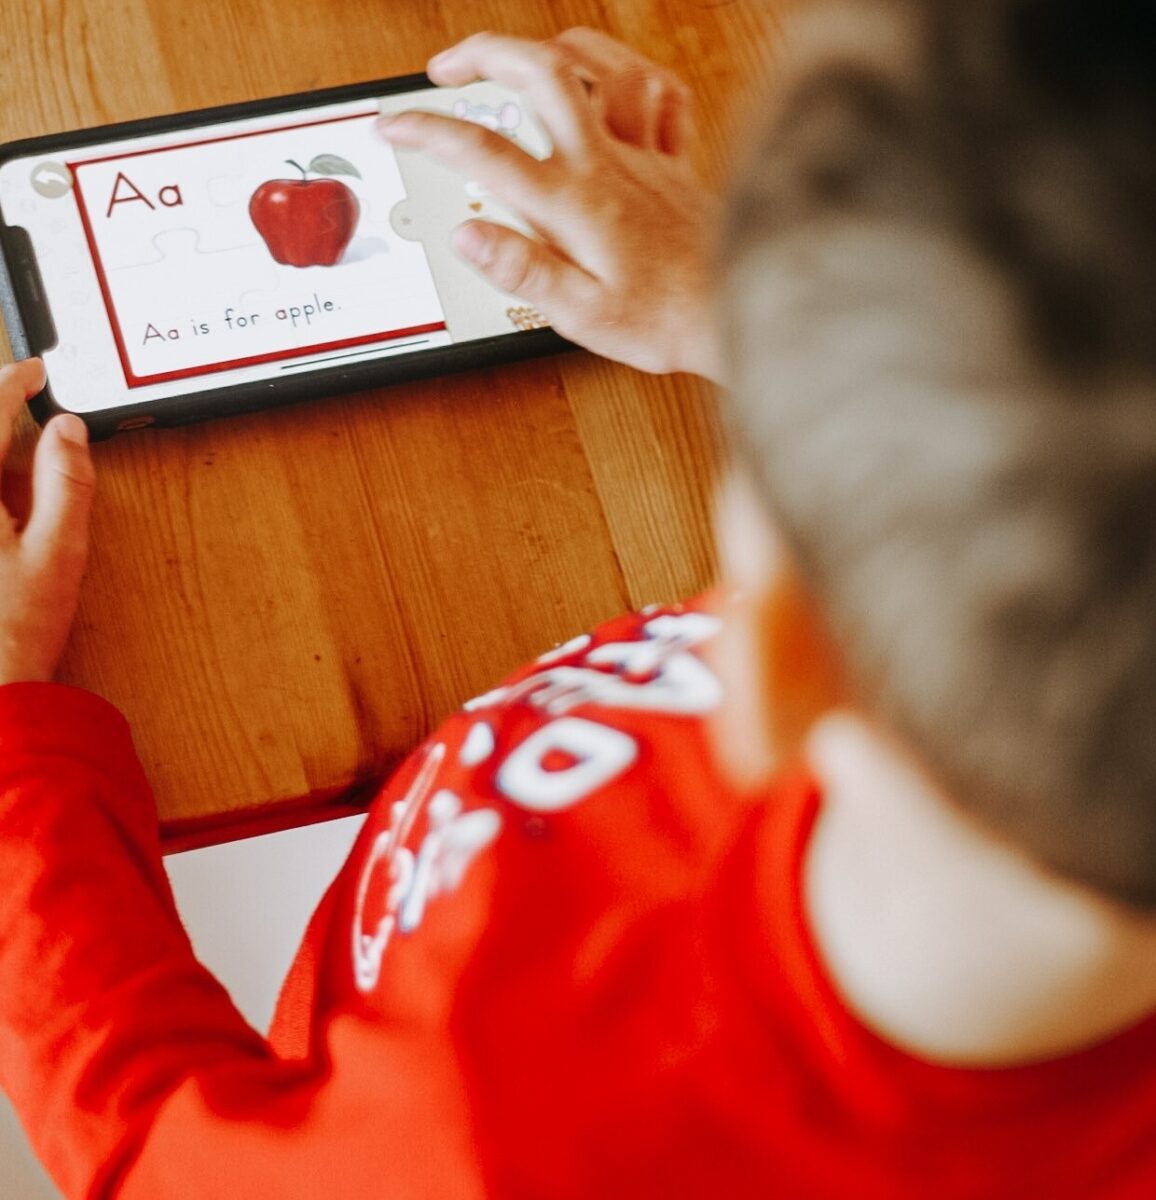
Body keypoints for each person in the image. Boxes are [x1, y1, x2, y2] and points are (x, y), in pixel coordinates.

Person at [2, 7, 1156, 1196]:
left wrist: (12, 737)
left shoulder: (465, 1142)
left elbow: (148, 1149)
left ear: (780, 659)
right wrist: (740, 319)